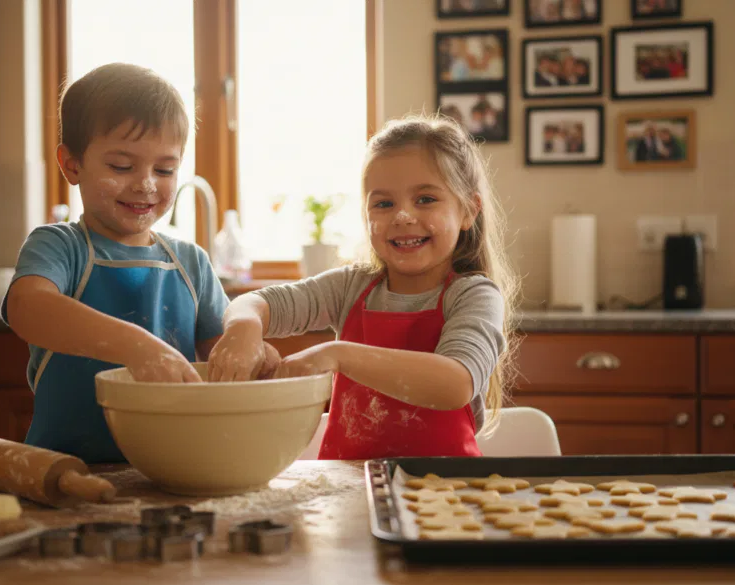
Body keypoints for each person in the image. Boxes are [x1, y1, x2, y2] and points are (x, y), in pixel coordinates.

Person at [1, 63, 278, 463]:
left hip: (171, 469)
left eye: (164, 169)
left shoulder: (190, 263)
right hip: (64, 472)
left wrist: (255, 355)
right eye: (122, 166)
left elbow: (224, 357)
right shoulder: (60, 246)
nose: (146, 184)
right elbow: (27, 308)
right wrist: (138, 347)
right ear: (72, 165)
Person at [207, 115, 518, 460]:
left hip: (442, 490)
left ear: (468, 211)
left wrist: (338, 354)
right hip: (348, 486)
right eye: (383, 203)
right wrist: (243, 327)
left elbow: (454, 384)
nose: (402, 216)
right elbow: (256, 302)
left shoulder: (474, 295)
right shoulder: (351, 286)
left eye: (425, 199)